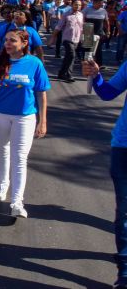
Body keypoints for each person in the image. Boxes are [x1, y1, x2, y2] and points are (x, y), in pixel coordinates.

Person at [0, 29, 49, 218]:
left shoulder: (34, 63)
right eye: (6, 40)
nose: (7, 44)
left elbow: (41, 94)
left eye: (12, 41)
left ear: (24, 43)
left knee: (20, 158)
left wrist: (43, 121)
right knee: (2, 150)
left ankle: (17, 201)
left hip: (25, 117)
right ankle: (3, 184)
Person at [83, 56, 127, 287]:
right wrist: (96, 76)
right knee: (125, 213)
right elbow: (108, 93)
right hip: (124, 146)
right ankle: (125, 271)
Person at [50, 0, 84, 83]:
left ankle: (61, 73)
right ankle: (69, 75)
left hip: (76, 39)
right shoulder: (66, 14)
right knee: (72, 55)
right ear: (72, 5)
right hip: (67, 39)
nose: (78, 6)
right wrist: (52, 38)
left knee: (68, 57)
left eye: (79, 5)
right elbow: (59, 26)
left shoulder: (81, 15)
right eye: (76, 4)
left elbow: (81, 28)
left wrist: (82, 38)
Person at [84, 0, 110, 66]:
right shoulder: (87, 9)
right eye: (100, 4)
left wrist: (108, 31)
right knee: (87, 48)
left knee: (98, 48)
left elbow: (107, 22)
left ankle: (99, 64)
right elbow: (82, 19)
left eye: (102, 4)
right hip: (88, 30)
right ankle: (86, 63)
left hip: (99, 32)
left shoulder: (103, 11)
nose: (101, 5)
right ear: (94, 3)